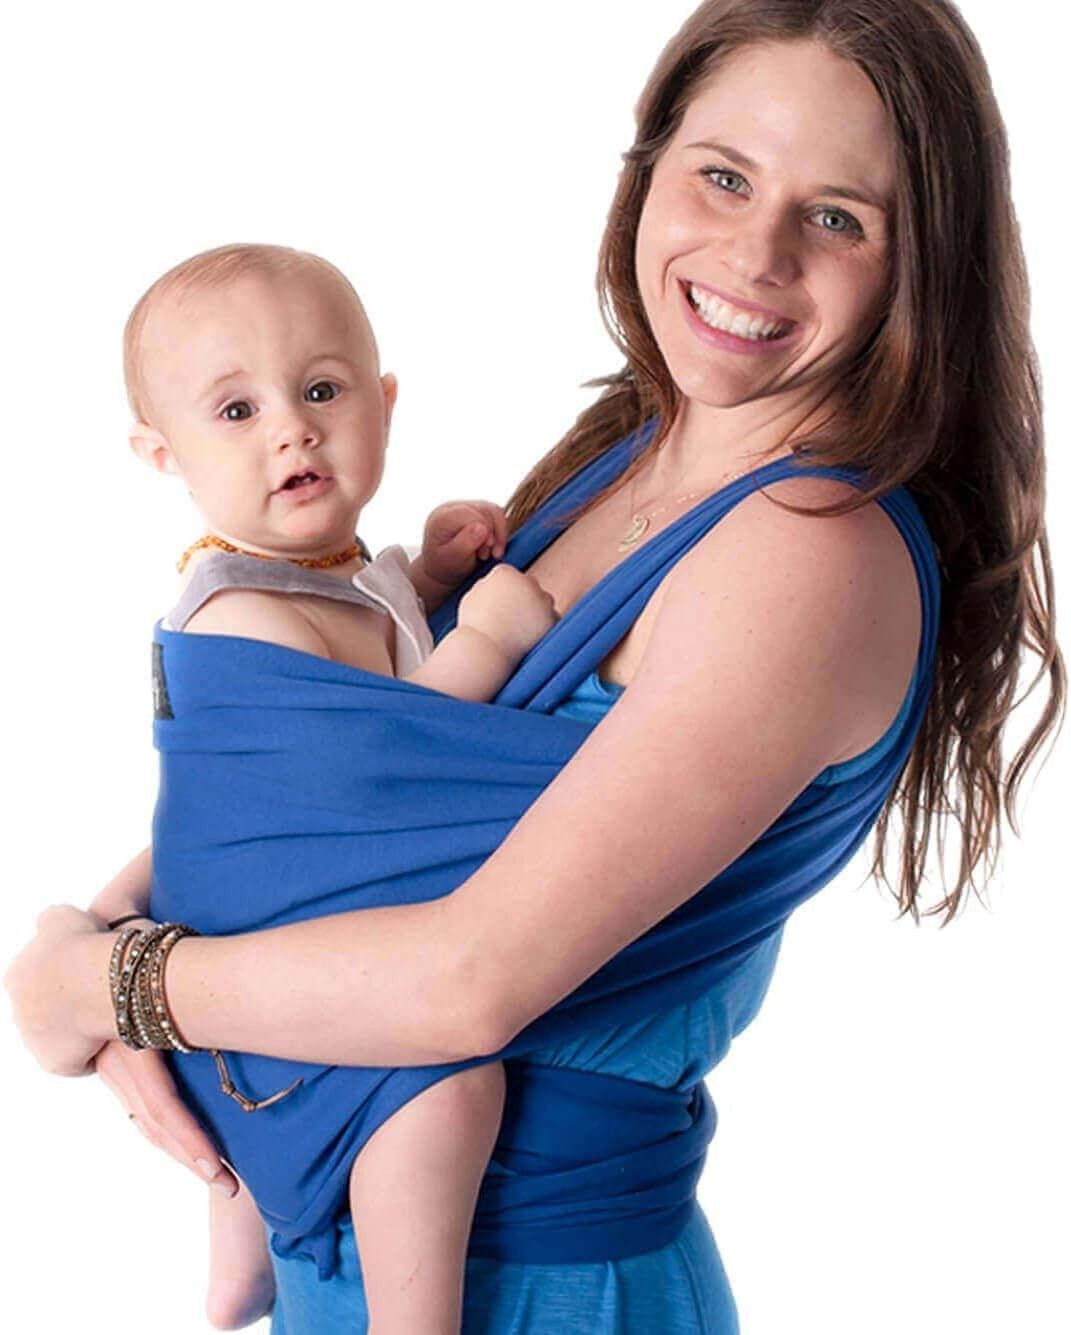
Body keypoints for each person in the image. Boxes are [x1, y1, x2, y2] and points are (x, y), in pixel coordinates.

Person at [6, 2, 1064, 1331]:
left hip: (539, 1288)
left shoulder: (809, 551)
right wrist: (108, 924)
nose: (755, 252)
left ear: (920, 264)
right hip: (349, 1236)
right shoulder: (626, 453)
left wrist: (109, 985)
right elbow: (359, 772)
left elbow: (469, 978)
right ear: (648, 168)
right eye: (722, 176)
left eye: (837, 217)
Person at [92, 241, 558, 1331]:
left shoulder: (336, 574)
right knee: (445, 1093)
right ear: (162, 454)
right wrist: (485, 641)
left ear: (383, 403)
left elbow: (378, 640)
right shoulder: (236, 613)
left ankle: (247, 1250)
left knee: (275, 1093)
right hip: (260, 943)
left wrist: (433, 575)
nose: (292, 431)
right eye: (237, 410)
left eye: (321, 391)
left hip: (277, 930)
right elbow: (386, 757)